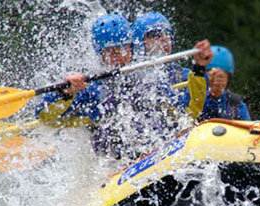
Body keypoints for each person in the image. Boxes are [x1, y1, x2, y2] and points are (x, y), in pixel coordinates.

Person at [35, 13, 212, 160]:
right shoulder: (92, 88)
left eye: (123, 49)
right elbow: (46, 118)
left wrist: (198, 70)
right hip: (114, 167)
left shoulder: (149, 79)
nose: (119, 57)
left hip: (154, 156)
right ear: (100, 55)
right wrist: (66, 93)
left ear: (132, 48)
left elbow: (188, 114)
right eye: (111, 52)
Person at [195, 45, 251, 121]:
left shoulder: (235, 104)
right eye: (212, 74)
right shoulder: (194, 98)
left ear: (228, 78)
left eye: (222, 76)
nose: (217, 79)